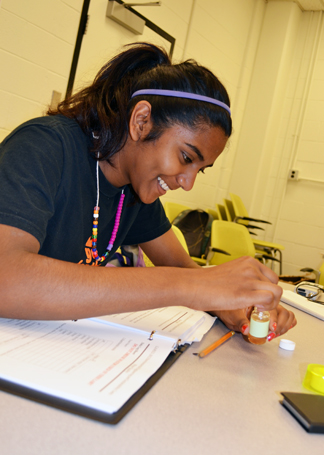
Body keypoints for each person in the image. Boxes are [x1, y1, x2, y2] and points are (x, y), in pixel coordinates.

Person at [0, 42, 296, 340]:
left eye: (200, 169)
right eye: (186, 158)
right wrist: (192, 287)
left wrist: (232, 303)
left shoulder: (135, 188)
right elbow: (5, 277)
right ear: (141, 121)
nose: (188, 182)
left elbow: (183, 268)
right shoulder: (43, 147)